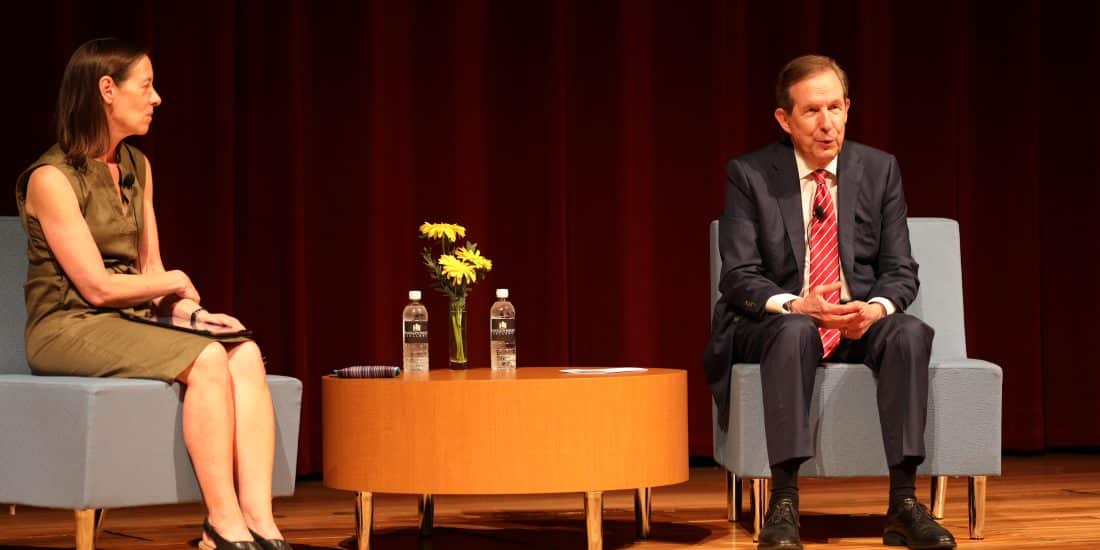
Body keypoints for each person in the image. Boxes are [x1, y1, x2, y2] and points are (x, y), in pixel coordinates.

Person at [14, 38, 291, 550]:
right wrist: (176, 283)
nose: (157, 97)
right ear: (107, 91)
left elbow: (151, 271)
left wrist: (194, 312)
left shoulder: (137, 166)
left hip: (128, 319)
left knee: (243, 352)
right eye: (146, 85)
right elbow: (96, 288)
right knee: (208, 361)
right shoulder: (50, 179)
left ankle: (260, 522)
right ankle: (222, 525)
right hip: (66, 325)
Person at [703, 55, 956, 550]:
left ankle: (904, 504)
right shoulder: (750, 174)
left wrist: (875, 309)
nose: (827, 124)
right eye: (812, 111)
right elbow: (737, 276)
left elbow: (900, 269)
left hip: (856, 319)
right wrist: (796, 305)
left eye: (836, 108)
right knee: (796, 329)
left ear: (848, 108)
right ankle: (784, 502)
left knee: (908, 330)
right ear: (784, 119)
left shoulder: (880, 170)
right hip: (778, 323)